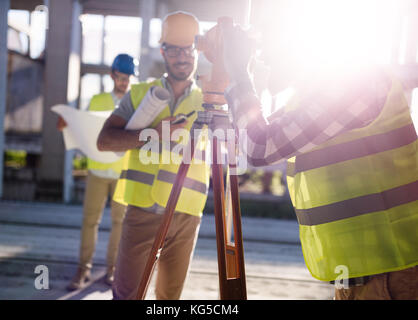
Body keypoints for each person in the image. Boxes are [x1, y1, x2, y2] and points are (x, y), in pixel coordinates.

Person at [220, 24, 418, 299]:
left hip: (395, 275)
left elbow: (260, 147)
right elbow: (249, 135)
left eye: (267, 43)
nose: (261, 55)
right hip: (362, 276)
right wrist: (229, 79)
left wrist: (239, 73)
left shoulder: (355, 83)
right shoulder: (316, 98)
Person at [97, 11, 210, 300]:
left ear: (197, 50)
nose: (182, 57)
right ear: (163, 51)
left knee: (169, 301)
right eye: (174, 49)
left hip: (186, 215)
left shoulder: (211, 100)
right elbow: (105, 141)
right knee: (126, 296)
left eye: (188, 49)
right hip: (142, 211)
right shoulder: (139, 94)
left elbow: (234, 150)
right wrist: (149, 134)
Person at [57, 53, 136, 290]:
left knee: (119, 223)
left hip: (122, 172)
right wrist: (68, 123)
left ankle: (112, 270)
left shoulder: (135, 102)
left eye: (129, 77)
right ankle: (84, 269)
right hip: (98, 170)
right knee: (90, 220)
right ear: (113, 75)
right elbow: (84, 129)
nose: (125, 82)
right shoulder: (98, 100)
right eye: (122, 77)